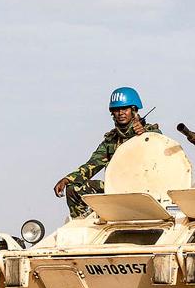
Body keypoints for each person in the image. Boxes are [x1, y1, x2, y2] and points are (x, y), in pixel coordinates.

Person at [53, 86, 159, 218]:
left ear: (133, 110)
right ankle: (82, 224)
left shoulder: (150, 133)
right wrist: (67, 179)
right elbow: (91, 165)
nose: (120, 113)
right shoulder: (111, 141)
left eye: (125, 109)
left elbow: (161, 151)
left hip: (146, 191)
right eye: (116, 110)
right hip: (116, 190)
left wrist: (145, 135)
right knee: (73, 188)